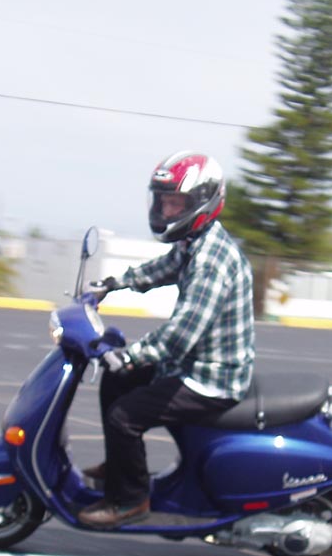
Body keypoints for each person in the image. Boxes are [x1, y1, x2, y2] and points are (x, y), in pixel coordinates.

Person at [78, 150, 256, 528]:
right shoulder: (195, 243)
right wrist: (114, 283)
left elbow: (180, 335)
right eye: (164, 202)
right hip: (194, 364)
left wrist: (131, 356)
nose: (168, 210)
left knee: (125, 416)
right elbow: (162, 268)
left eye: (177, 203)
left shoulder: (211, 261)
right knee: (117, 380)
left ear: (203, 202)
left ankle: (130, 500)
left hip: (212, 379)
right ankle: (120, 467)